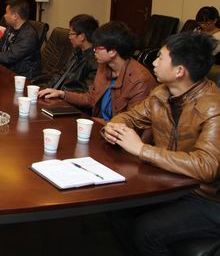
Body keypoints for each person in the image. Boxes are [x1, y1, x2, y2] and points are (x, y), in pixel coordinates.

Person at [102, 31, 220, 255]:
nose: (154, 62)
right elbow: (129, 117)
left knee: (147, 230)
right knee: (116, 207)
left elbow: (206, 166)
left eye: (160, 58)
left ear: (179, 71)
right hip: (170, 183)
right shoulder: (162, 94)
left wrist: (142, 149)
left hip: (206, 197)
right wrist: (114, 128)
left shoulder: (213, 107)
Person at [39, 21, 157, 120]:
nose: (94, 51)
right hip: (99, 124)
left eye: (97, 48)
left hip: (117, 134)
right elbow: (91, 98)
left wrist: (96, 123)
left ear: (112, 52)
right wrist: (62, 94)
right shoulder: (105, 65)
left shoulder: (140, 81)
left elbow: (132, 123)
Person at [33, 14, 99, 93]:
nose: (69, 37)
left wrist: (61, 93)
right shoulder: (77, 52)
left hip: (68, 98)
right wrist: (45, 88)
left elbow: (85, 91)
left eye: (71, 34)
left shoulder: (95, 60)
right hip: (59, 93)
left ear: (82, 36)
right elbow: (61, 74)